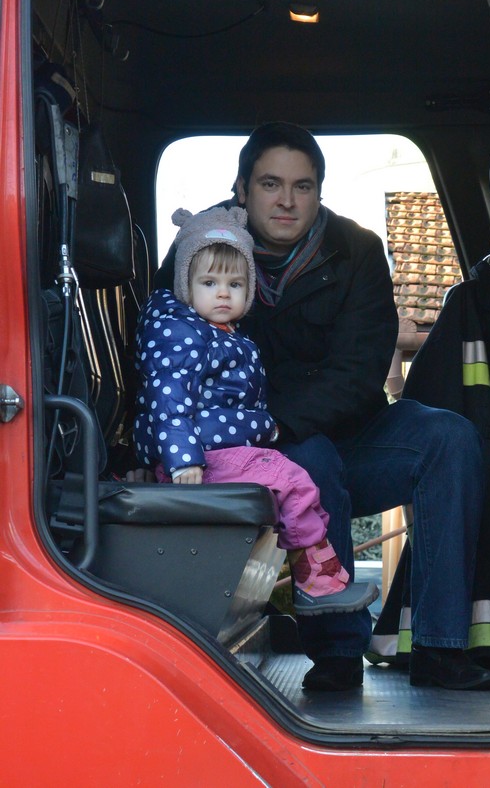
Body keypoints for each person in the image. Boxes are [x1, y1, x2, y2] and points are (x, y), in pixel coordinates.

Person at [154, 122, 490, 692]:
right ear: (241, 188)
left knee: (451, 438)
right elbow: (164, 350)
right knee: (311, 459)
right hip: (244, 452)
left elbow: (359, 371)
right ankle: (337, 653)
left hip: (345, 433)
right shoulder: (202, 245)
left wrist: (280, 424)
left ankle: (440, 649)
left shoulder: (357, 250)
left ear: (319, 191)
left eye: (303, 186)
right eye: (270, 184)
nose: (287, 200)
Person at [134, 204, 379, 618]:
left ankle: (320, 577)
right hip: (201, 456)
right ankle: (316, 584)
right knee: (292, 482)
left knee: (300, 485)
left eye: (235, 283)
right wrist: (183, 459)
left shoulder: (227, 335)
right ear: (185, 285)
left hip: (222, 449)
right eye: (209, 283)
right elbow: (167, 396)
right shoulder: (180, 333)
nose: (223, 293)